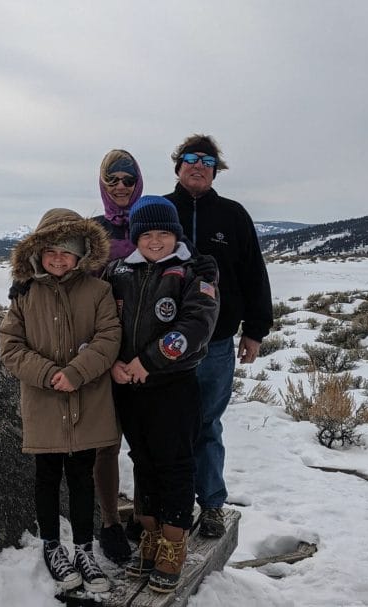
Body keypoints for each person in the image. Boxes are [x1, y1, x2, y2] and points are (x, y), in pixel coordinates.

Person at [0, 208, 122, 593]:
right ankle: (53, 546)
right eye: (50, 249)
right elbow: (10, 345)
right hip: (44, 404)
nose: (58, 257)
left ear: (82, 253)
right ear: (37, 252)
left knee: (83, 477)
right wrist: (49, 373)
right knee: (47, 477)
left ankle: (84, 548)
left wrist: (76, 372)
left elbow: (108, 338)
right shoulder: (25, 295)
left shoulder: (99, 292)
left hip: (88, 402)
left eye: (67, 250)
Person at [103, 195, 219, 593]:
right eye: (146, 234)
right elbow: (100, 319)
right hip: (129, 387)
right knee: (143, 461)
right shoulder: (118, 271)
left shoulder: (192, 272)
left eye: (163, 234)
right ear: (135, 236)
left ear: (175, 235)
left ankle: (173, 543)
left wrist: (147, 361)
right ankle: (150, 535)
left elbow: (196, 326)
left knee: (174, 465)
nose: (154, 242)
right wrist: (115, 362)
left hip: (172, 386)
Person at [164, 134, 273, 538]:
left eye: (207, 160)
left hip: (216, 343)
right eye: (190, 158)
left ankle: (210, 504)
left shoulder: (233, 215)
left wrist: (255, 330)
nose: (198, 165)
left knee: (207, 424)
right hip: (164, 344)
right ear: (178, 166)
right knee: (166, 426)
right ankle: (165, 507)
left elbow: (253, 274)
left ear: (215, 170)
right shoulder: (159, 210)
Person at [90, 149, 143, 564]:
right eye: (114, 180)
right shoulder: (92, 232)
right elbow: (59, 266)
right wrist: (23, 283)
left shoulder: (154, 224)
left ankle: (143, 518)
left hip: (145, 354)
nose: (122, 187)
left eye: (128, 179)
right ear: (103, 184)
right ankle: (109, 523)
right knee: (107, 443)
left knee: (145, 443)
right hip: (104, 351)